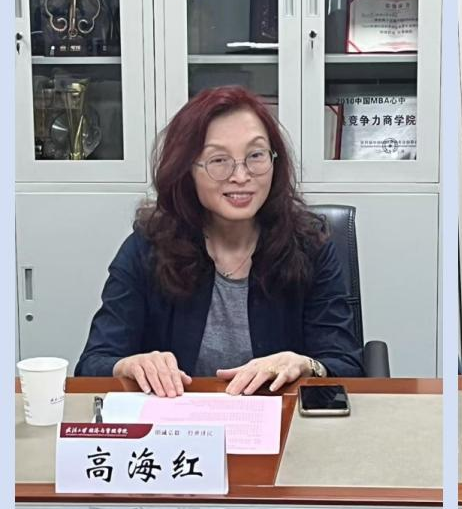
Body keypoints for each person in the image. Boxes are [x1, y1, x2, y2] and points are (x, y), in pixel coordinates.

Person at [76, 86, 364, 396]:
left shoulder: (309, 246)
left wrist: (307, 365)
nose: (241, 176)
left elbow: (347, 366)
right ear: (187, 170)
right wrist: (128, 366)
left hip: (283, 420)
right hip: (177, 423)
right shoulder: (148, 248)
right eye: (218, 160)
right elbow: (92, 364)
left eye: (255, 155)